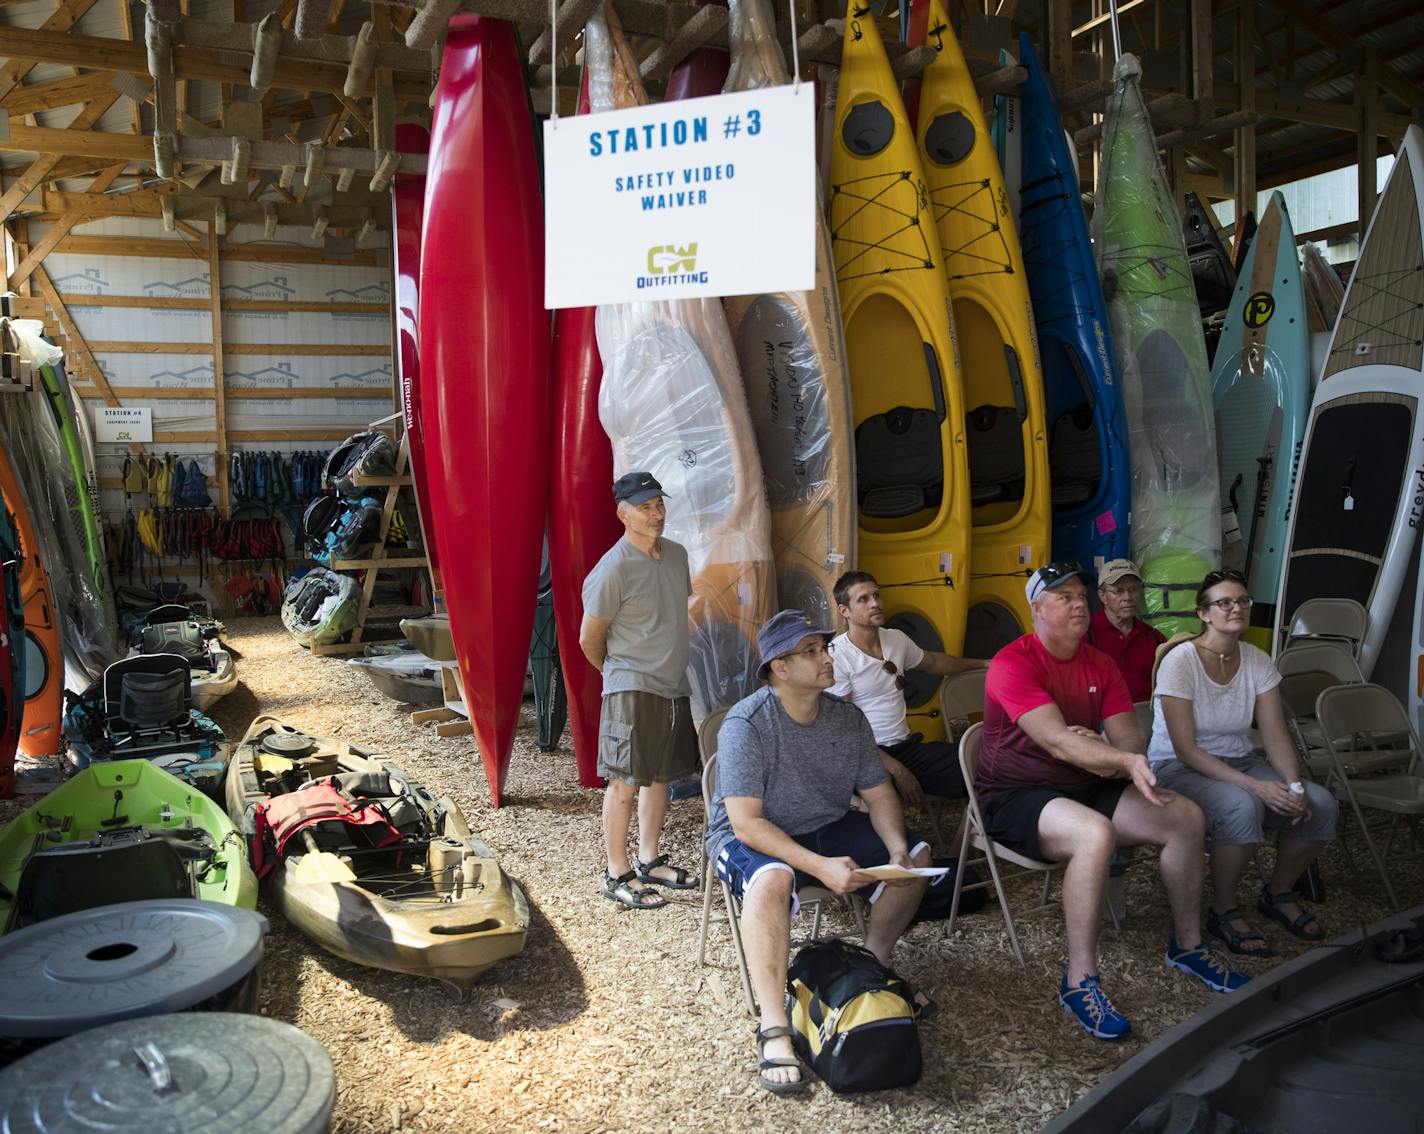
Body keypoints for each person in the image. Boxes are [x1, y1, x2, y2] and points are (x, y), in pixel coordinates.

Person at [978, 562, 1248, 1040]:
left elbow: (1130, 744)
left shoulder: (1100, 664)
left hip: (1085, 780)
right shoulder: (1012, 661)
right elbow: (1059, 742)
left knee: (1186, 816)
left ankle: (1188, 945)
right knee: (1094, 834)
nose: (1078, 602)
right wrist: (1101, 753)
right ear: (1037, 609)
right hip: (1016, 795)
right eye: (1063, 596)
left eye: (1081, 594)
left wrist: (1103, 753)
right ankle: (1080, 980)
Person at [706, 609, 932, 1094]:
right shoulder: (746, 723)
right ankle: (773, 1027)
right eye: (810, 651)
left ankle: (870, 969)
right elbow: (746, 822)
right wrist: (817, 866)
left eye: (823, 647)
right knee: (773, 879)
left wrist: (895, 848)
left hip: (824, 824)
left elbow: (878, 794)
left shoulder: (847, 719)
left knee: (915, 855)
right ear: (780, 668)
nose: (826, 657)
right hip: (749, 834)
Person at [1150, 569, 1338, 956]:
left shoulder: (1256, 659)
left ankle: (1278, 891)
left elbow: (1274, 735)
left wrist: (1294, 785)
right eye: (1224, 602)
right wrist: (1255, 785)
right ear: (1204, 614)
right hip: (1179, 766)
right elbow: (1185, 749)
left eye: (1242, 601)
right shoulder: (1180, 662)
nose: (1236, 608)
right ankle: (1223, 908)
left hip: (1239, 759)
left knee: (1320, 806)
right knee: (1242, 805)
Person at [580, 471, 700, 910]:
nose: (655, 514)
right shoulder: (611, 569)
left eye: (659, 505)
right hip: (631, 686)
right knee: (625, 782)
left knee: (661, 776)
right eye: (645, 507)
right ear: (622, 513)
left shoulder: (676, 556)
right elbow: (589, 638)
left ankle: (648, 859)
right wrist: (619, 675)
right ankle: (617, 872)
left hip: (673, 686)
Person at [828, 570, 985, 809]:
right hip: (864, 757)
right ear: (844, 611)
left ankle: (963, 842)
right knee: (882, 804)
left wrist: (982, 664)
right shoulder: (838, 655)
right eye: (863, 599)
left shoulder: (896, 639)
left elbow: (933, 662)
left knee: (983, 765)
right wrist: (896, 769)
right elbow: (844, 730)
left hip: (906, 749)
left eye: (877, 595)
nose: (875, 603)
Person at [1086, 558, 1165, 703]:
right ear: (1102, 596)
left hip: (1146, 716)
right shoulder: (1085, 636)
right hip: (1100, 719)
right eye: (1118, 591)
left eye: (1133, 589)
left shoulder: (1155, 639)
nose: (1127, 597)